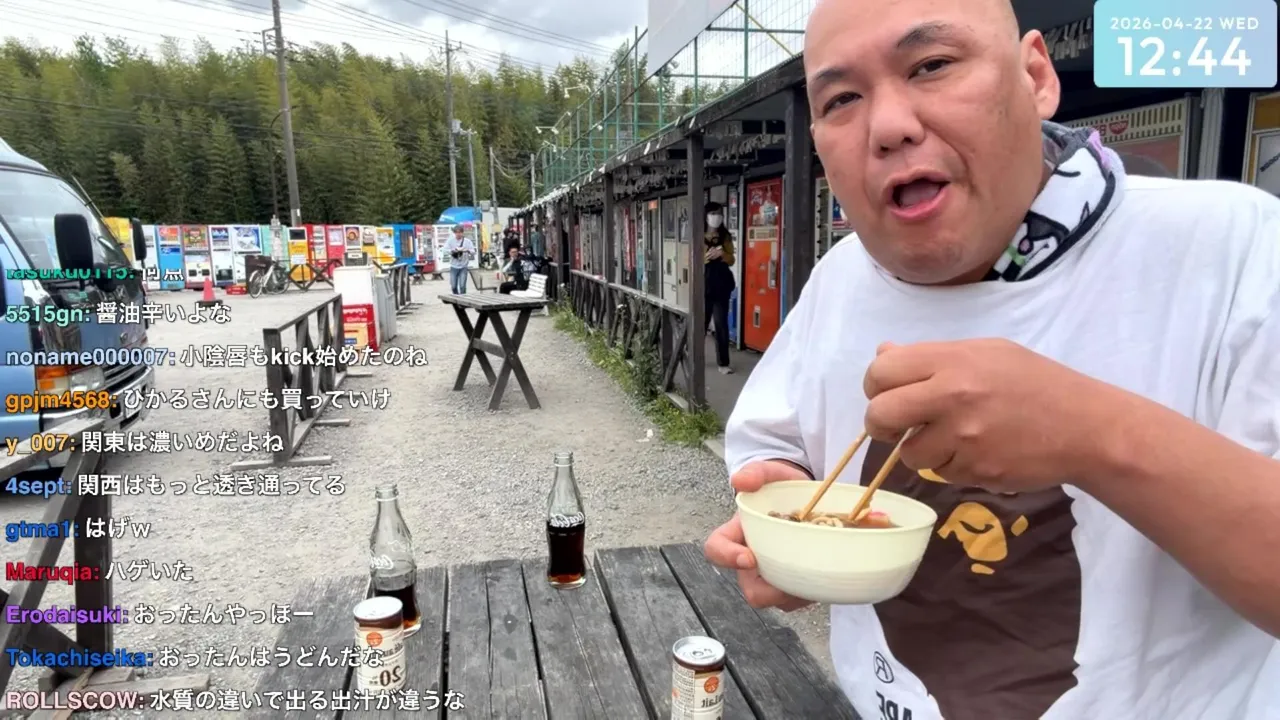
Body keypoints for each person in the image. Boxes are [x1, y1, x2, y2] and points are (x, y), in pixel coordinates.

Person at [703, 0, 1280, 718]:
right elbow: (777, 443)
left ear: (1035, 76)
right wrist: (790, 525)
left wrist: (1092, 432)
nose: (888, 126)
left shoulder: (1237, 248)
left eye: (931, 65)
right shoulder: (841, 277)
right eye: (842, 99)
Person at [702, 201, 736, 374]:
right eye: (713, 213)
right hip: (703, 286)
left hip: (721, 286)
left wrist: (722, 254)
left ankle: (723, 363)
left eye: (719, 214)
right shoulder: (697, 234)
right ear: (706, 216)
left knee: (721, 325)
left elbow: (732, 259)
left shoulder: (725, 235)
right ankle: (693, 357)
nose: (717, 217)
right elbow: (688, 259)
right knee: (701, 324)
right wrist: (706, 257)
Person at [443, 224, 474, 294]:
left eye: (460, 232)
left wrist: (467, 250)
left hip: (464, 266)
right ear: (454, 233)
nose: (458, 234)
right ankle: (456, 297)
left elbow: (473, 251)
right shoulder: (450, 241)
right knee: (453, 286)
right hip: (454, 266)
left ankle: (463, 299)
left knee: (462, 286)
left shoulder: (467, 241)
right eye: (456, 232)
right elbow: (444, 250)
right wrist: (453, 251)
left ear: (462, 233)